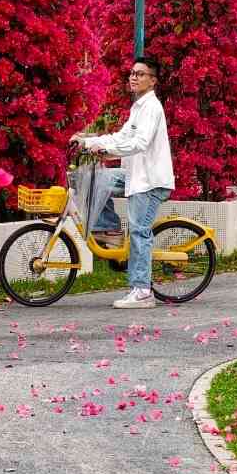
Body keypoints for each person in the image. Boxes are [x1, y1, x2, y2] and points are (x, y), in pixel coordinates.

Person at [72, 56, 174, 310]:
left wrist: (101, 146)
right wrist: (90, 141)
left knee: (140, 230)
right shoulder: (138, 107)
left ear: (153, 80)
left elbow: (139, 143)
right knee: (93, 178)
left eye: (140, 74)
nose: (134, 77)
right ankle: (110, 231)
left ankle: (142, 291)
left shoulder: (152, 108)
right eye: (132, 73)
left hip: (149, 181)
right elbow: (122, 137)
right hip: (134, 176)